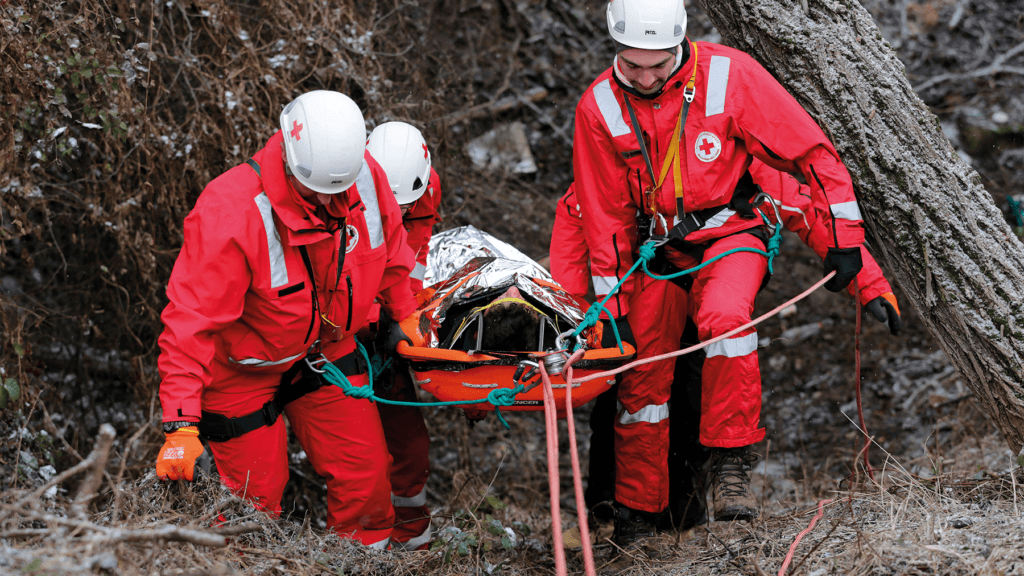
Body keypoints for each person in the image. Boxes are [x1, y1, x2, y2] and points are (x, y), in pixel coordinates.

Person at [574, 0, 895, 537]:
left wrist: (856, 262)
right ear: (615, 52)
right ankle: (637, 512)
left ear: (680, 44)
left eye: (660, 64)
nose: (648, 78)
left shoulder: (731, 77)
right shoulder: (599, 107)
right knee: (642, 373)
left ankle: (731, 464)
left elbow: (812, 160)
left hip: (733, 235)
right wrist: (610, 308)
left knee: (724, 319)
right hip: (658, 251)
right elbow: (603, 216)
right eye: (634, 66)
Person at [551, 161, 902, 545]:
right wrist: (573, 315)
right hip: (644, 285)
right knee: (631, 394)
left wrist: (868, 283)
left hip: (710, 293)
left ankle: (684, 513)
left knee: (695, 397)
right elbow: (577, 214)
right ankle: (621, 511)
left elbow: (804, 208)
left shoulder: (732, 157)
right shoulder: (625, 158)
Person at [154, 90, 418, 549]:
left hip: (326, 352)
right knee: (250, 505)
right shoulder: (230, 211)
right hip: (242, 371)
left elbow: (391, 252)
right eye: (314, 190)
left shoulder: (364, 177)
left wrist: (404, 315)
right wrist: (180, 423)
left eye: (337, 190)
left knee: (367, 480)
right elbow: (189, 322)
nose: (328, 200)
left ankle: (365, 560)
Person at [362, 122, 442, 551]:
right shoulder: (340, 192)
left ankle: (412, 542)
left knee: (409, 443)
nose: (402, 213)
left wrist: (403, 317)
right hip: (336, 335)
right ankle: (364, 544)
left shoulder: (423, 188)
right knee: (362, 457)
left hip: (386, 327)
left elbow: (414, 256)